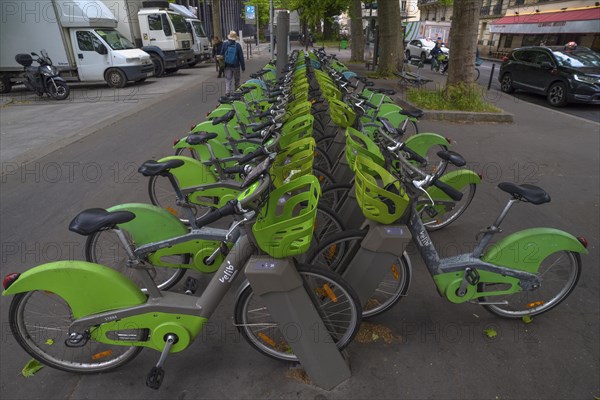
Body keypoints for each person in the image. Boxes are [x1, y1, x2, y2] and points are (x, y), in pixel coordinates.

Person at [220, 31, 245, 96]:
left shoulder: (225, 44)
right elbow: (241, 57)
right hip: (236, 65)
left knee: (228, 79)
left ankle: (227, 92)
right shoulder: (238, 45)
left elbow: (221, 54)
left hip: (227, 65)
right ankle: (236, 92)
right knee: (237, 80)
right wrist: (243, 67)